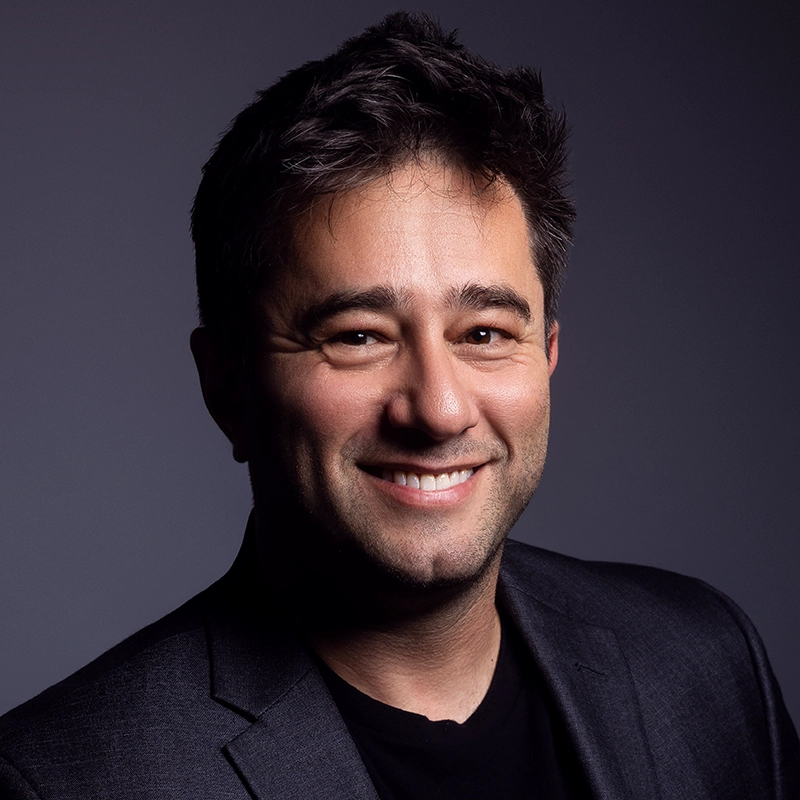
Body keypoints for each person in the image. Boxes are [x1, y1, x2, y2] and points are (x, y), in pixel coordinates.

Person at [0, 12, 797, 799]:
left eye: (484, 332)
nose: (439, 409)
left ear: (548, 353)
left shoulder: (703, 661)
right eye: (357, 337)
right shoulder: (67, 778)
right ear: (227, 387)